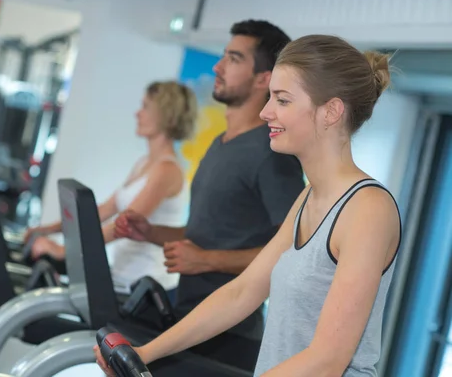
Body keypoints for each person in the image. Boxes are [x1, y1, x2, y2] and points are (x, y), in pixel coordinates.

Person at [95, 34, 402, 376]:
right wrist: (144, 353)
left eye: (282, 100)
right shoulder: (308, 198)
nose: (265, 111)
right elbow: (242, 292)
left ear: (330, 111)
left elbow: (328, 360)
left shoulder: (368, 210)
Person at [112, 20, 306, 370]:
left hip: (231, 335)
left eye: (233, 58)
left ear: (265, 78)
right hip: (190, 316)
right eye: (223, 56)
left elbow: (293, 254)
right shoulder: (221, 144)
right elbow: (206, 235)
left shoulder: (273, 156)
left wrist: (208, 260)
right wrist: (151, 233)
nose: (218, 66)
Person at [25, 81, 198, 294]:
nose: (137, 113)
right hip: (121, 274)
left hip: (145, 285)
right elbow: (102, 211)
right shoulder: (144, 163)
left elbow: (124, 224)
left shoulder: (167, 170)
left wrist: (66, 251)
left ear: (166, 116)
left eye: (145, 107)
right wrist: (48, 229)